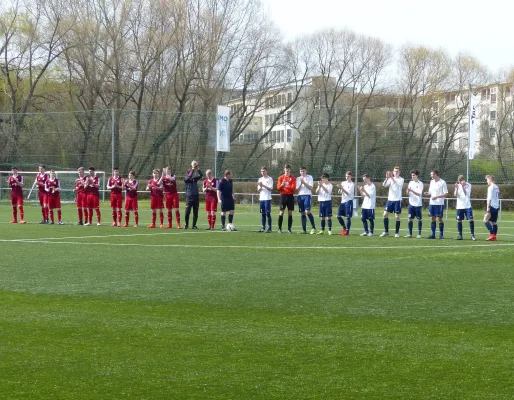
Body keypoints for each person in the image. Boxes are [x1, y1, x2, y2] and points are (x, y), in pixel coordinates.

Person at [380, 166, 404, 238]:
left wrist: (391, 177)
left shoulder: (401, 179)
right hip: (390, 200)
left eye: (397, 171)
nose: (396, 172)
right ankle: (386, 231)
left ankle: (396, 233)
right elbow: (384, 185)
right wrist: (387, 178)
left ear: (399, 172)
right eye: (394, 171)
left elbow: (397, 184)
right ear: (393, 172)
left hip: (397, 200)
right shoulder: (390, 179)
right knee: (385, 215)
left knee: (397, 216)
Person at [424, 169, 448, 239]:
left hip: (439, 203)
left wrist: (437, 197)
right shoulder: (431, 182)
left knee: (439, 218)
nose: (431, 175)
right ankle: (433, 234)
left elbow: (446, 193)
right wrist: (427, 193)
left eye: (432, 174)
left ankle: (441, 235)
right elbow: (430, 192)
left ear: (435, 174)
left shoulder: (442, 182)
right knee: (432, 218)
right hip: (432, 203)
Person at [295, 166, 316, 234]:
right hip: (300, 196)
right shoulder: (298, 178)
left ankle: (313, 228)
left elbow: (311, 188)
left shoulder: (310, 177)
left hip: (307, 195)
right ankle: (304, 230)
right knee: (302, 212)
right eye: (301, 171)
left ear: (306, 171)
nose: (302, 172)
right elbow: (297, 190)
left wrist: (304, 182)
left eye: (303, 171)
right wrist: (301, 183)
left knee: (307, 211)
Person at [454, 174, 475, 241]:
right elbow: (455, 195)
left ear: (463, 180)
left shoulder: (468, 185)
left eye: (461, 181)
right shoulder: (458, 185)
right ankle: (460, 235)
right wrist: (457, 188)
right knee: (459, 220)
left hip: (467, 206)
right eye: (459, 181)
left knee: (470, 219)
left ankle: (472, 235)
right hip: (459, 206)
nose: (460, 183)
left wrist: (463, 186)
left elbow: (466, 194)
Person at [276, 163, 296, 233]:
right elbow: (278, 188)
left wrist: (287, 186)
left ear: (290, 169)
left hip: (290, 196)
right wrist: (282, 185)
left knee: (290, 212)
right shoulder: (281, 178)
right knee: (281, 212)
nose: (287, 170)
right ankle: (279, 228)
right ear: (284, 169)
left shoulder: (293, 178)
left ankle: (289, 229)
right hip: (283, 196)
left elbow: (293, 188)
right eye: (286, 169)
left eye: (288, 169)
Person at [184, 160, 203, 229]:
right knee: (187, 212)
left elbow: (201, 175)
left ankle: (194, 225)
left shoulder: (195, 179)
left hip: (196, 196)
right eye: (190, 172)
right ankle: (186, 224)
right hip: (189, 197)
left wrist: (198, 168)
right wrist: (192, 167)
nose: (192, 173)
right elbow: (190, 175)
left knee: (195, 212)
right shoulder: (186, 178)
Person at [405, 169, 424, 238]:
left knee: (419, 219)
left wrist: (412, 190)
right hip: (411, 204)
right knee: (410, 218)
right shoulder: (410, 182)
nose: (412, 177)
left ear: (417, 175)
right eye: (412, 175)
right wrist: (407, 191)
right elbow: (408, 193)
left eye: (413, 175)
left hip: (418, 204)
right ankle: (410, 234)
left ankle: (419, 234)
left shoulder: (420, 183)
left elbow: (419, 194)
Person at [337, 170, 354, 236]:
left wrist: (342, 188)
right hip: (342, 202)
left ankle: (347, 232)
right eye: (346, 176)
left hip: (348, 201)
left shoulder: (352, 184)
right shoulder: (343, 183)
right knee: (338, 216)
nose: (347, 177)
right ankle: (344, 228)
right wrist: (340, 188)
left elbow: (348, 193)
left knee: (347, 217)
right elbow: (339, 192)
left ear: (351, 177)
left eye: (348, 176)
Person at [484, 175, 500, 241]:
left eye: (487, 180)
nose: (487, 181)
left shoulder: (491, 187)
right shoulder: (496, 187)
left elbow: (489, 198)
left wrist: (488, 208)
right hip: (496, 206)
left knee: (485, 220)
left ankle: (492, 234)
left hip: (492, 206)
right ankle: (494, 236)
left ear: (490, 180)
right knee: (494, 222)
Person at [257, 166, 273, 233]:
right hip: (261, 199)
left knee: (268, 213)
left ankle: (269, 228)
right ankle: (263, 228)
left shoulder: (270, 179)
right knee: (262, 213)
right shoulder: (260, 179)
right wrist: (260, 187)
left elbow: (271, 189)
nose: (262, 172)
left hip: (267, 198)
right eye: (261, 171)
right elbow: (258, 190)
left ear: (267, 171)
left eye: (264, 171)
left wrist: (263, 185)